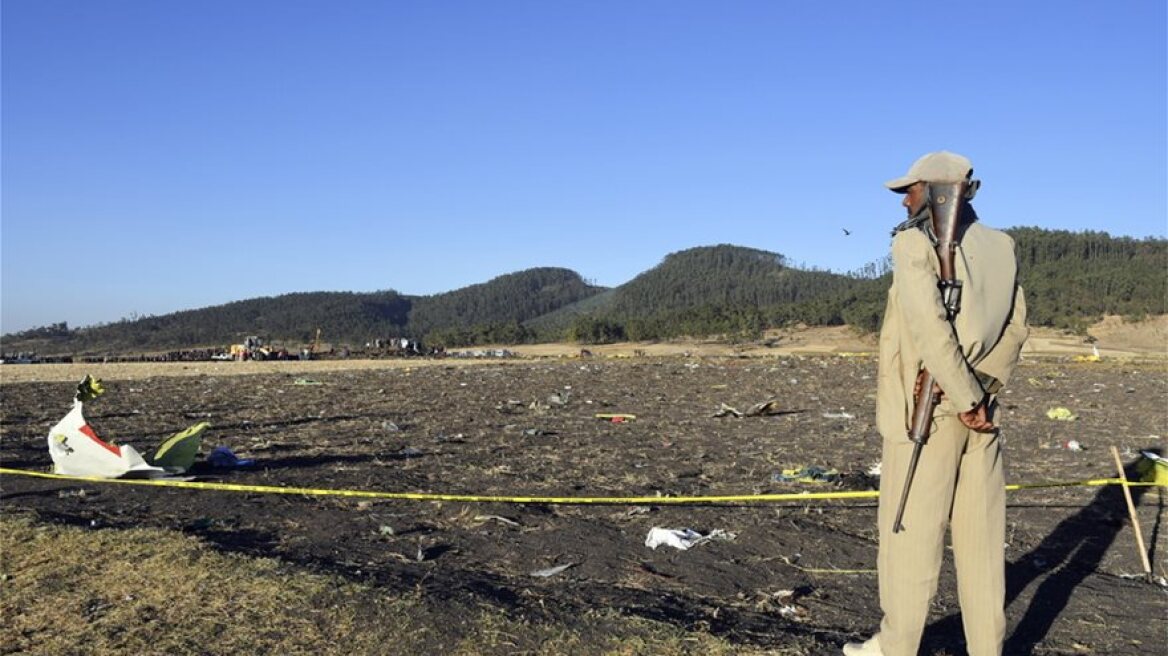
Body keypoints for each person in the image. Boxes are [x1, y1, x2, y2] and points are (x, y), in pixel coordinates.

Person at [845, 152, 1029, 656]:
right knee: (982, 549)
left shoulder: (911, 242)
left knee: (910, 544)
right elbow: (1017, 328)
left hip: (928, 414)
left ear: (939, 191)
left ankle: (894, 648)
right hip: (982, 414)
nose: (904, 200)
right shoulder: (1004, 246)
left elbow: (929, 328)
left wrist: (966, 395)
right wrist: (984, 393)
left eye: (912, 189)